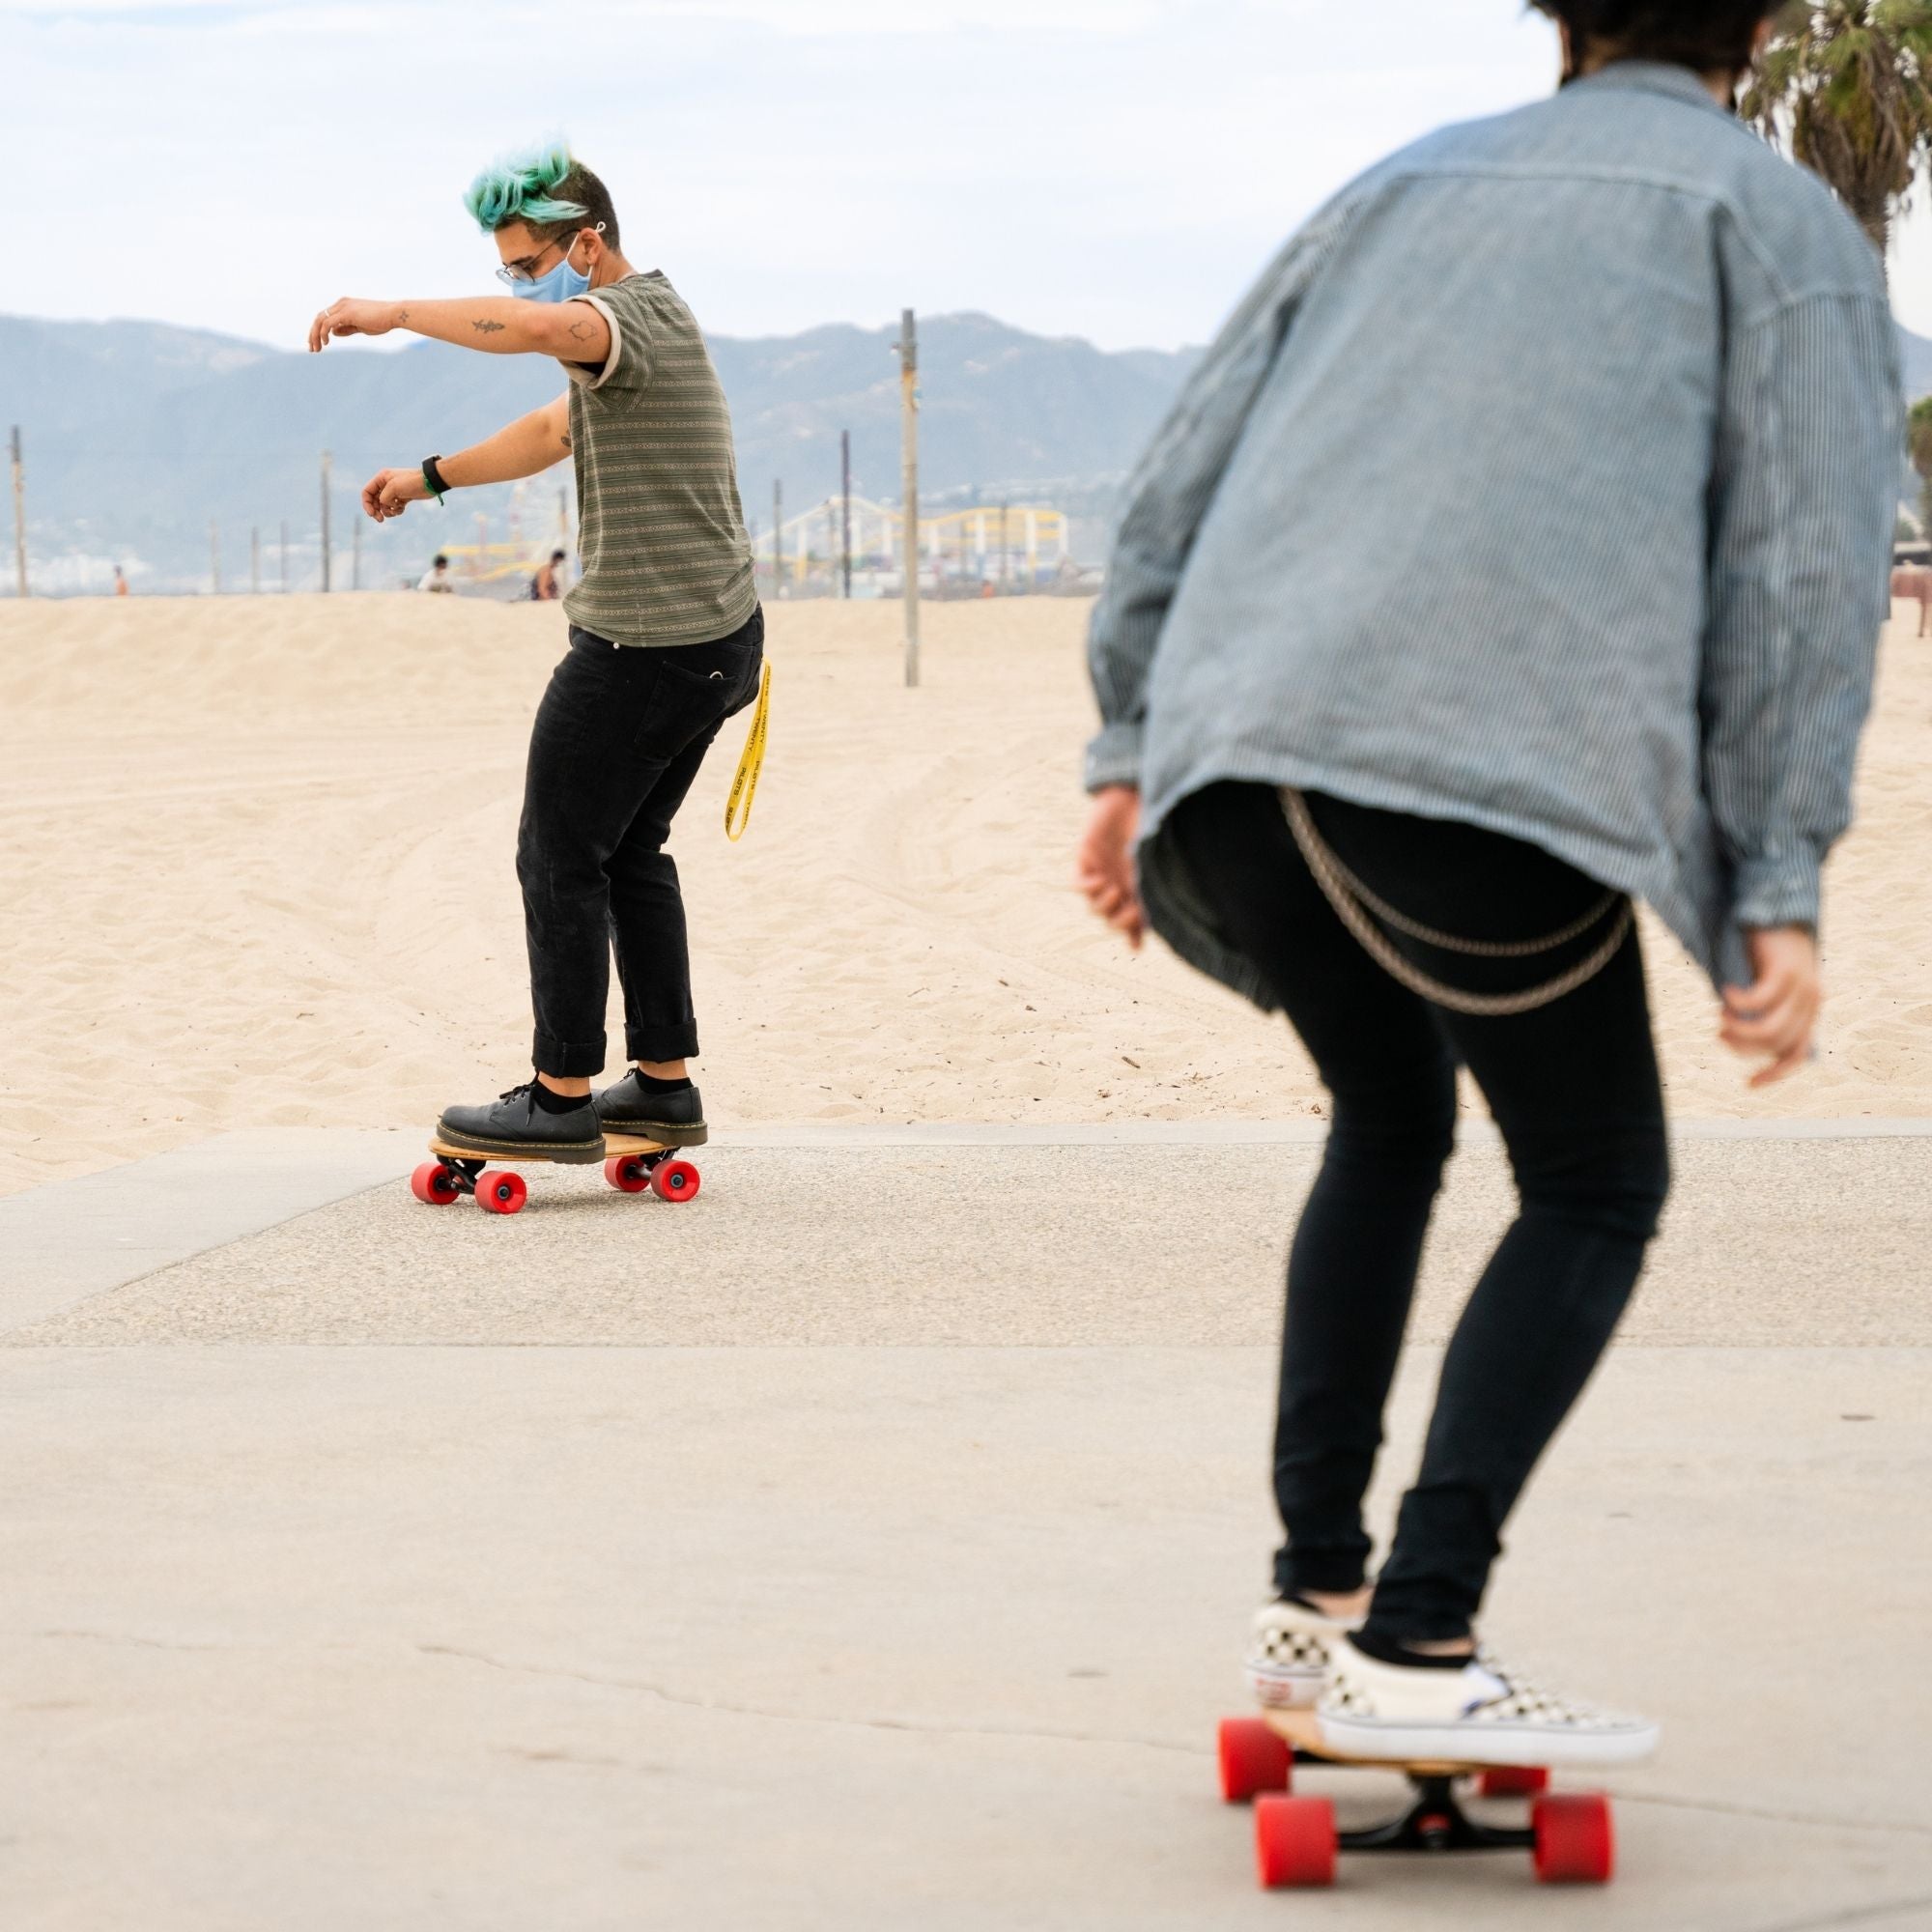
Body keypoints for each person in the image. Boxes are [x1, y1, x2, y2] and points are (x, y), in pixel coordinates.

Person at [1078, 0, 1897, 1767]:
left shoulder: (1395, 185)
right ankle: (1424, 1631)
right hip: (1466, 779)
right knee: (1598, 1176)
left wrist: (1132, 751)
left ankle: (1315, 1610)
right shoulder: (1773, 228)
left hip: (1240, 762)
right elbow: (1802, 580)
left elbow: (1175, 480)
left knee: (1388, 1112)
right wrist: (1776, 878)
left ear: (1559, 17)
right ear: (1756, 28)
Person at [310, 141, 762, 1162]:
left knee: (556, 854)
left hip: (642, 648)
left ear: (588, 245)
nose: (515, 283)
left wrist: (390, 314)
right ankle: (660, 1084)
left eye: (526, 264)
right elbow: (556, 431)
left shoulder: (616, 317)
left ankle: (560, 1096)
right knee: (627, 851)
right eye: (506, 267)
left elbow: (540, 327)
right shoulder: (645, 333)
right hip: (716, 643)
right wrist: (430, 477)